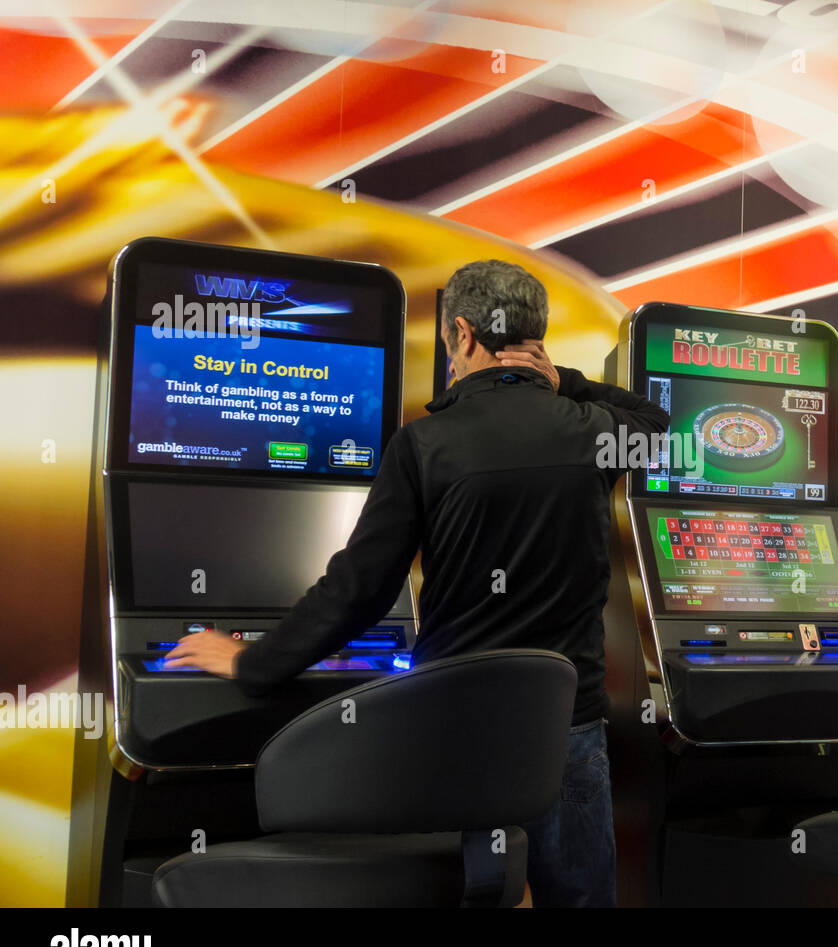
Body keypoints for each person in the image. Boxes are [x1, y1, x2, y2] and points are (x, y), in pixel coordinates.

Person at [165, 259, 669, 907]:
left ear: (462, 333)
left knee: (464, 890)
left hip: (454, 727)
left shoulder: (426, 445)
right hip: (564, 724)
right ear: (533, 337)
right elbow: (660, 425)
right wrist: (567, 381)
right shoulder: (594, 434)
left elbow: (361, 587)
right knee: (577, 898)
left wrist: (254, 661)